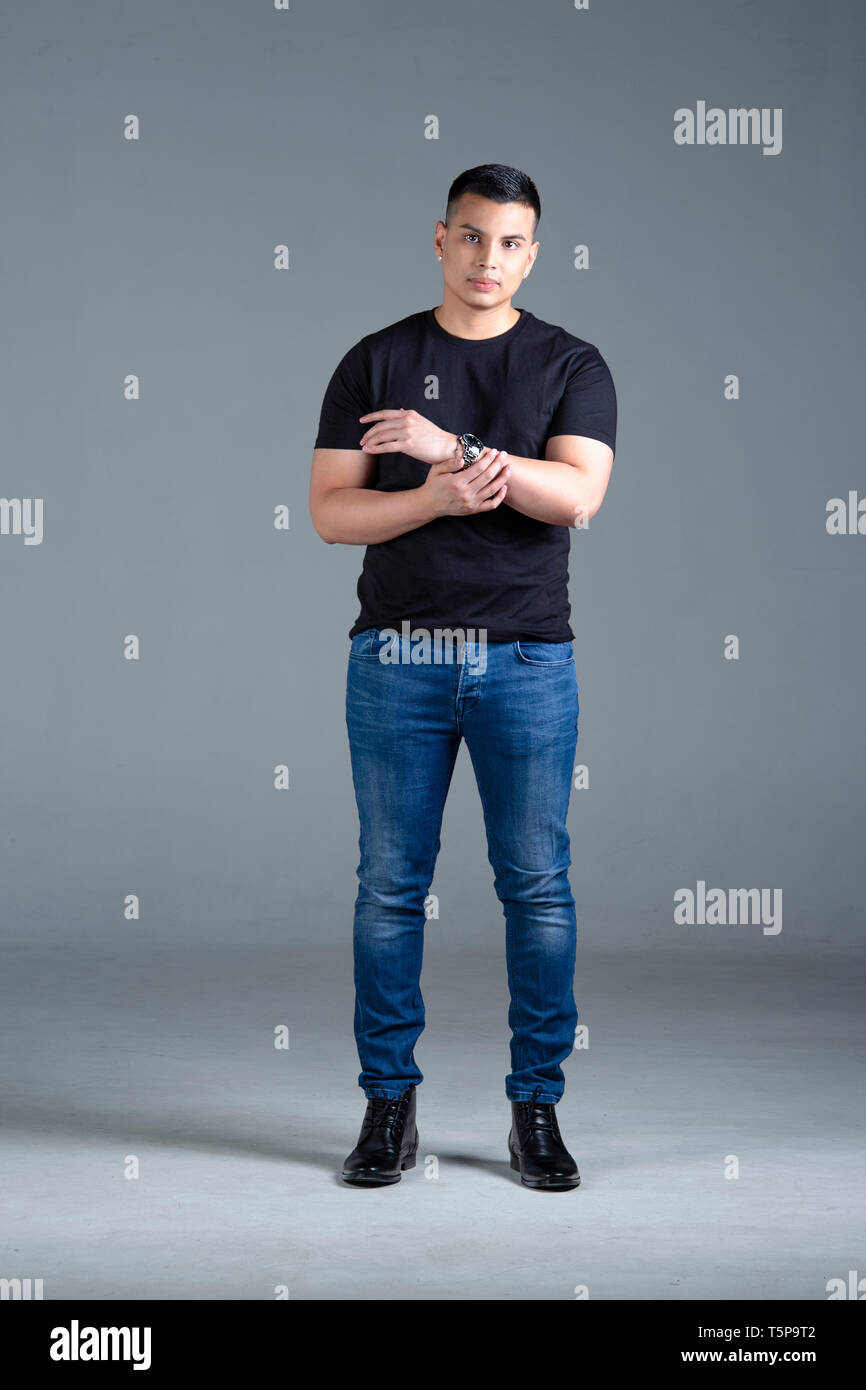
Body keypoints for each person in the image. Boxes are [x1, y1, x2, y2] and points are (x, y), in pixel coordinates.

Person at [309, 163, 616, 1191]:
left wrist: (454, 447)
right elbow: (329, 511)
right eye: (472, 237)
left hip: (526, 656)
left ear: (534, 251)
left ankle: (536, 1108)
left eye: (511, 242)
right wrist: (432, 499)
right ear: (439, 239)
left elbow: (575, 495)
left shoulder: (570, 364)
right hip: (395, 657)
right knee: (389, 887)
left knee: (535, 887)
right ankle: (386, 1105)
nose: (490, 259)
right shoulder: (375, 357)